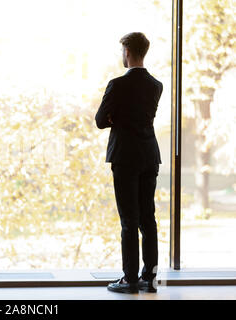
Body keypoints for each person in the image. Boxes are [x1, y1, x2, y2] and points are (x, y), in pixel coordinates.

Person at [95, 32, 163, 294]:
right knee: (148, 219)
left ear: (127, 51)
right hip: (149, 154)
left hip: (125, 157)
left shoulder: (116, 85)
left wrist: (116, 117)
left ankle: (130, 279)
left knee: (129, 220)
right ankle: (150, 278)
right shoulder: (156, 85)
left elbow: (101, 120)